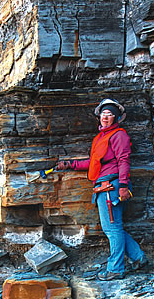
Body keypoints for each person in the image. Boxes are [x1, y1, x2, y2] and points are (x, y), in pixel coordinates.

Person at [55, 98, 148, 280]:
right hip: (104, 186)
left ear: (117, 118)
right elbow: (93, 163)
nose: (106, 117)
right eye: (103, 113)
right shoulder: (100, 138)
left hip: (111, 187)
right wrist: (70, 164)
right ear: (99, 116)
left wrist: (122, 186)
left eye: (110, 114)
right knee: (114, 228)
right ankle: (138, 258)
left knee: (112, 229)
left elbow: (124, 161)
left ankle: (116, 269)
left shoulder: (119, 135)